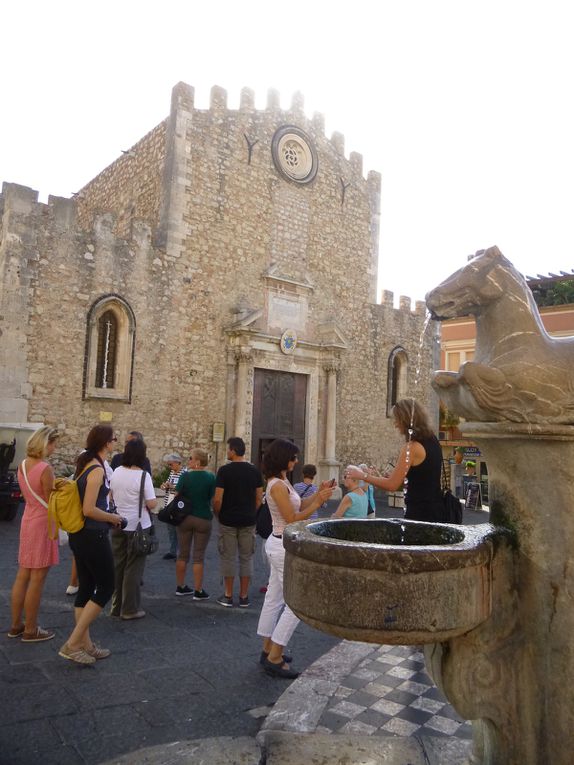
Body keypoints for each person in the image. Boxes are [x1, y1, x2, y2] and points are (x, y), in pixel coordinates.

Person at [257, 439, 333, 679]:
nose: (297, 461)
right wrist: (319, 503)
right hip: (282, 545)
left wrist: (318, 495)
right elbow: (292, 517)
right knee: (297, 602)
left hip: (280, 542)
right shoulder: (277, 486)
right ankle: (275, 656)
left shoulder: (283, 481)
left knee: (274, 598)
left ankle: (268, 648)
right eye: (293, 457)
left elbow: (300, 504)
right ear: (283, 458)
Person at [59, 425, 124, 665]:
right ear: (106, 443)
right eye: (114, 439)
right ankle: (73, 643)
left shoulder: (84, 465)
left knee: (86, 589)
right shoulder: (96, 470)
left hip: (80, 535)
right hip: (92, 535)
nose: (116, 442)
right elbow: (89, 509)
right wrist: (113, 518)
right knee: (107, 586)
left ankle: (85, 645)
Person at [347, 399, 444, 522]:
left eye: (397, 419)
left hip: (419, 514)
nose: (395, 424)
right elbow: (425, 479)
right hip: (436, 511)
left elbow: (392, 485)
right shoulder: (433, 440)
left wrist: (362, 475)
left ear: (405, 420)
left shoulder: (412, 447)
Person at [9, 426, 60, 642]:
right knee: (38, 578)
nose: (54, 448)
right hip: (42, 523)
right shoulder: (45, 468)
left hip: (28, 519)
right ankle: (31, 629)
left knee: (23, 574)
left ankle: (15, 625)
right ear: (45, 443)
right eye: (53, 444)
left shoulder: (21, 465)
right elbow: (50, 499)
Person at [109, 438, 157, 619]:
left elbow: (111, 495)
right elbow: (152, 504)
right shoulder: (143, 476)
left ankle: (116, 605)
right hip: (138, 526)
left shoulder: (117, 472)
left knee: (118, 565)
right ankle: (129, 608)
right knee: (133, 568)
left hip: (118, 522)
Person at [213, 436, 263, 608]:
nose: (227, 452)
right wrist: (251, 512)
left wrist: (219, 514)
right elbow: (259, 498)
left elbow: (218, 499)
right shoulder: (255, 471)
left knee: (228, 557)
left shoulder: (224, 471)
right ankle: (244, 596)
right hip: (248, 520)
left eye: (228, 449)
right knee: (246, 558)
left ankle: (228, 595)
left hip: (228, 520)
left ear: (233, 451)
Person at [173, 448, 216, 599]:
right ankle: (198, 590)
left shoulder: (185, 476)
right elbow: (212, 497)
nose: (189, 461)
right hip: (203, 517)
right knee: (199, 556)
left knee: (182, 554)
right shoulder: (211, 477)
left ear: (198, 461)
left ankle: (181, 586)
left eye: (191, 458)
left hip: (185, 518)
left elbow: (177, 495)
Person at [160, 453, 185, 559]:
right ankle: (172, 551)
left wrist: (172, 486)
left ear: (178, 463)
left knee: (179, 531)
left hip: (179, 507)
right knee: (170, 529)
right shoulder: (172, 473)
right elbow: (168, 484)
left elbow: (184, 489)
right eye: (169, 465)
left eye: (171, 464)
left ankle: (181, 554)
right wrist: (164, 486)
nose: (170, 467)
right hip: (169, 504)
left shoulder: (185, 474)